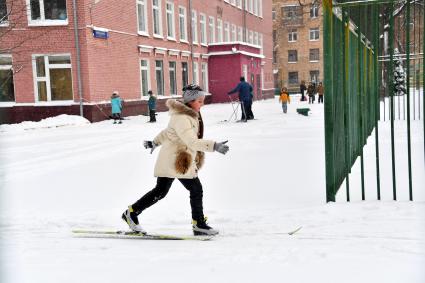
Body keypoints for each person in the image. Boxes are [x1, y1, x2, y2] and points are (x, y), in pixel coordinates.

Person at [121, 84, 230, 236]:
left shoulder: (186, 114)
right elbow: (191, 142)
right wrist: (214, 146)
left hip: (173, 160)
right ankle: (198, 223)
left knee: (160, 191)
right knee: (195, 189)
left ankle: (131, 213)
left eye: (202, 100)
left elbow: (168, 132)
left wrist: (155, 142)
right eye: (199, 100)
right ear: (190, 101)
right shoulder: (182, 118)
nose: (202, 103)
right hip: (177, 161)